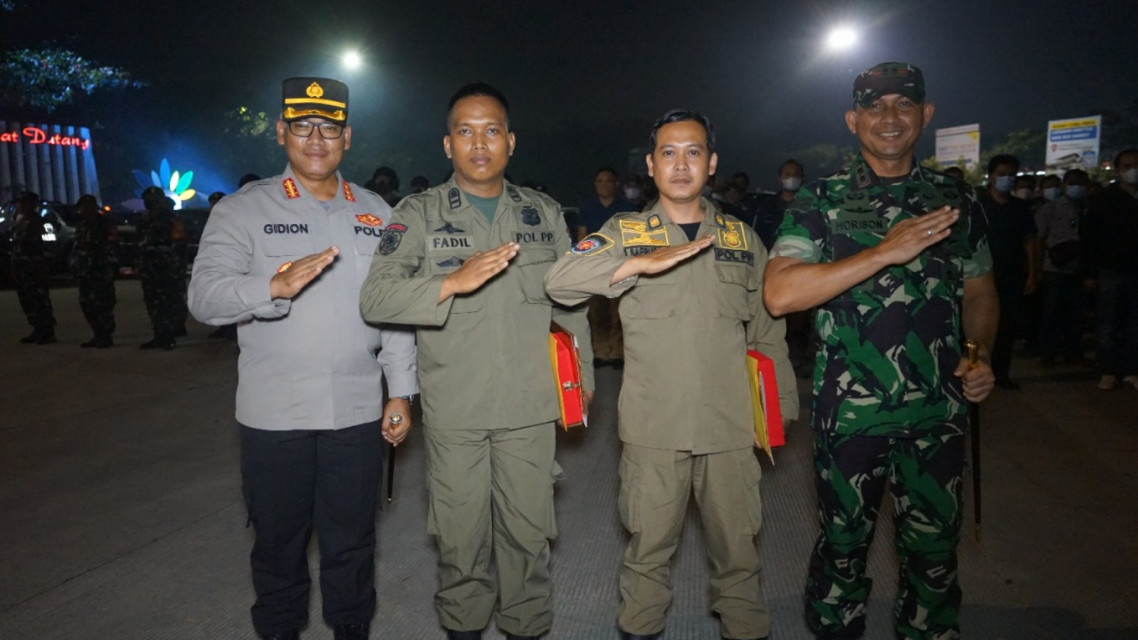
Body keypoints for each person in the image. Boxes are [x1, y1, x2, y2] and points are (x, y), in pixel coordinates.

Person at [764, 62, 998, 640]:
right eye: (874, 106)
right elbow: (780, 293)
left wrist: (979, 351)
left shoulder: (953, 199)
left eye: (903, 104)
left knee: (934, 557)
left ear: (926, 114)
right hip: (850, 416)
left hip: (938, 415)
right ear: (853, 119)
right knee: (843, 552)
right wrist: (882, 253)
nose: (889, 118)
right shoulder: (824, 199)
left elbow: (980, 289)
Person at [544, 110, 797, 640]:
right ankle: (640, 628)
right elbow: (560, 283)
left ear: (712, 163)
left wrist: (777, 412)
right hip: (654, 428)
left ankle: (745, 627)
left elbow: (768, 330)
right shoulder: (628, 232)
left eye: (693, 152)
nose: (681, 164)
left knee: (739, 548)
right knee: (648, 548)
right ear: (651, 166)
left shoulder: (740, 238)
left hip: (729, 425)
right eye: (668, 153)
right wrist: (636, 265)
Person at [358, 82, 593, 640]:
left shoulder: (543, 212)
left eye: (491, 131)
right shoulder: (416, 213)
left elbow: (572, 303)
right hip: (456, 411)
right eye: (465, 131)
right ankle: (463, 629)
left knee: (529, 538)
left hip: (531, 406)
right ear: (447, 145)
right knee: (461, 543)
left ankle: (526, 628)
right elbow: (376, 297)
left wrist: (578, 381)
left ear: (510, 141)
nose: (479, 143)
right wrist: (450, 282)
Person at [188, 77, 418, 640]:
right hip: (276, 417)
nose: (316, 138)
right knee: (278, 546)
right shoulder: (243, 210)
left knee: (353, 544)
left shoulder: (375, 210)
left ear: (347, 136)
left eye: (329, 127)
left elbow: (393, 313)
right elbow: (203, 298)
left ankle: (351, 630)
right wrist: (271, 286)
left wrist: (400, 391)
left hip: (356, 413)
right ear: (281, 132)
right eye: (302, 125)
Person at [979, 154, 1038, 388]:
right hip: (981, 276)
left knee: (1006, 328)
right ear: (991, 176)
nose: (1006, 179)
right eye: (1001, 174)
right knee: (979, 327)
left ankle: (1001, 374)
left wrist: (1033, 273)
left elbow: (1029, 242)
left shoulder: (1020, 208)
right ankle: (976, 372)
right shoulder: (978, 205)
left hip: (1011, 275)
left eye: (1011, 175)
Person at [1083, 148, 1138, 390]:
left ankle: (1130, 369)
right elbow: (1089, 239)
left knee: (1134, 325)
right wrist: (1088, 273)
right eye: (1127, 166)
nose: (1132, 170)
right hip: (1110, 270)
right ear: (1118, 169)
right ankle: (1107, 370)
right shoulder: (1104, 200)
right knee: (1107, 324)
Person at [1034, 168, 1090, 366]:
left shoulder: (1089, 208)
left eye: (1082, 183)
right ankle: (1047, 353)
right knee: (1052, 314)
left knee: (1076, 315)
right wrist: (1038, 269)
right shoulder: (1052, 208)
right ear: (1064, 185)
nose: (1077, 188)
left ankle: (1073, 352)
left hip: (1079, 269)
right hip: (1055, 269)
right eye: (1073, 183)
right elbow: (1039, 239)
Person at [137, 186, 186, 350]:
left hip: (164, 266)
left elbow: (179, 243)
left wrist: (174, 265)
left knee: (165, 301)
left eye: (152, 199)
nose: (149, 202)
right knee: (153, 301)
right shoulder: (147, 218)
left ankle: (167, 336)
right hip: (150, 266)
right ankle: (160, 334)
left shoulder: (169, 217)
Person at [10, 191, 56, 344]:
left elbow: (50, 243)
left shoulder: (42, 223)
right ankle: (37, 329)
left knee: (40, 299)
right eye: (21, 203)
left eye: (25, 203)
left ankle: (47, 331)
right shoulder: (20, 222)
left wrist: (41, 260)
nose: (22, 206)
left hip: (36, 267)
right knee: (27, 300)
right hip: (22, 268)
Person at [73, 194, 118, 348]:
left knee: (103, 303)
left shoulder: (103, 224)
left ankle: (105, 335)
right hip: (85, 270)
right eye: (83, 207)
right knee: (87, 303)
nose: (85, 209)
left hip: (99, 269)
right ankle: (97, 333)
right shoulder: (82, 224)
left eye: (88, 206)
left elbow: (110, 245)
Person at [751, 159, 805, 250]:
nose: (791, 178)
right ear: (779, 178)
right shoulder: (766, 207)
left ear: (802, 178)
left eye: (795, 174)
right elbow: (754, 239)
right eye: (787, 175)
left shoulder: (811, 208)